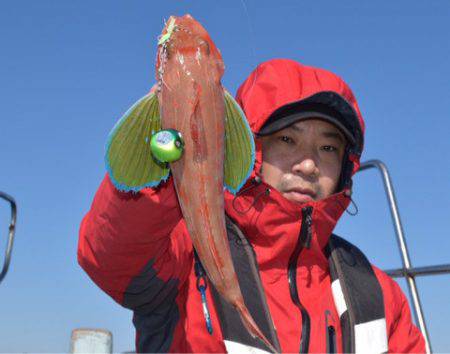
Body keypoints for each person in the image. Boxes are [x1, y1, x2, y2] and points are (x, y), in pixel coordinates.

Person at [78, 58, 425, 353]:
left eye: (328, 148)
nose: (308, 164)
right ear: (249, 150)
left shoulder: (377, 291)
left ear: (346, 166)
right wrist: (163, 166)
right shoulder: (184, 254)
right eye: (287, 139)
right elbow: (107, 257)